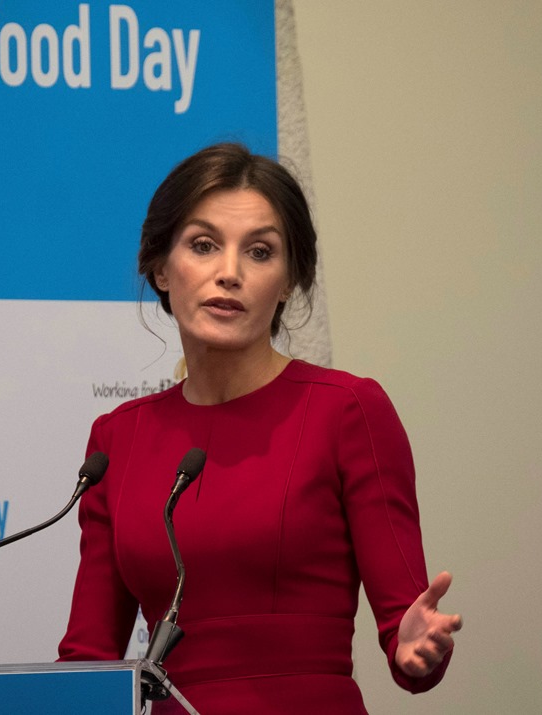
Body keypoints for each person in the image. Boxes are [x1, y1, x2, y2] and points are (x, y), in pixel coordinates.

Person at [58, 143, 461, 713]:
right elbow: (87, 662)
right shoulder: (116, 441)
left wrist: (418, 647)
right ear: (160, 267)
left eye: (260, 252)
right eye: (203, 245)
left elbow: (407, 636)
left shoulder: (349, 410)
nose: (229, 273)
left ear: (290, 279)